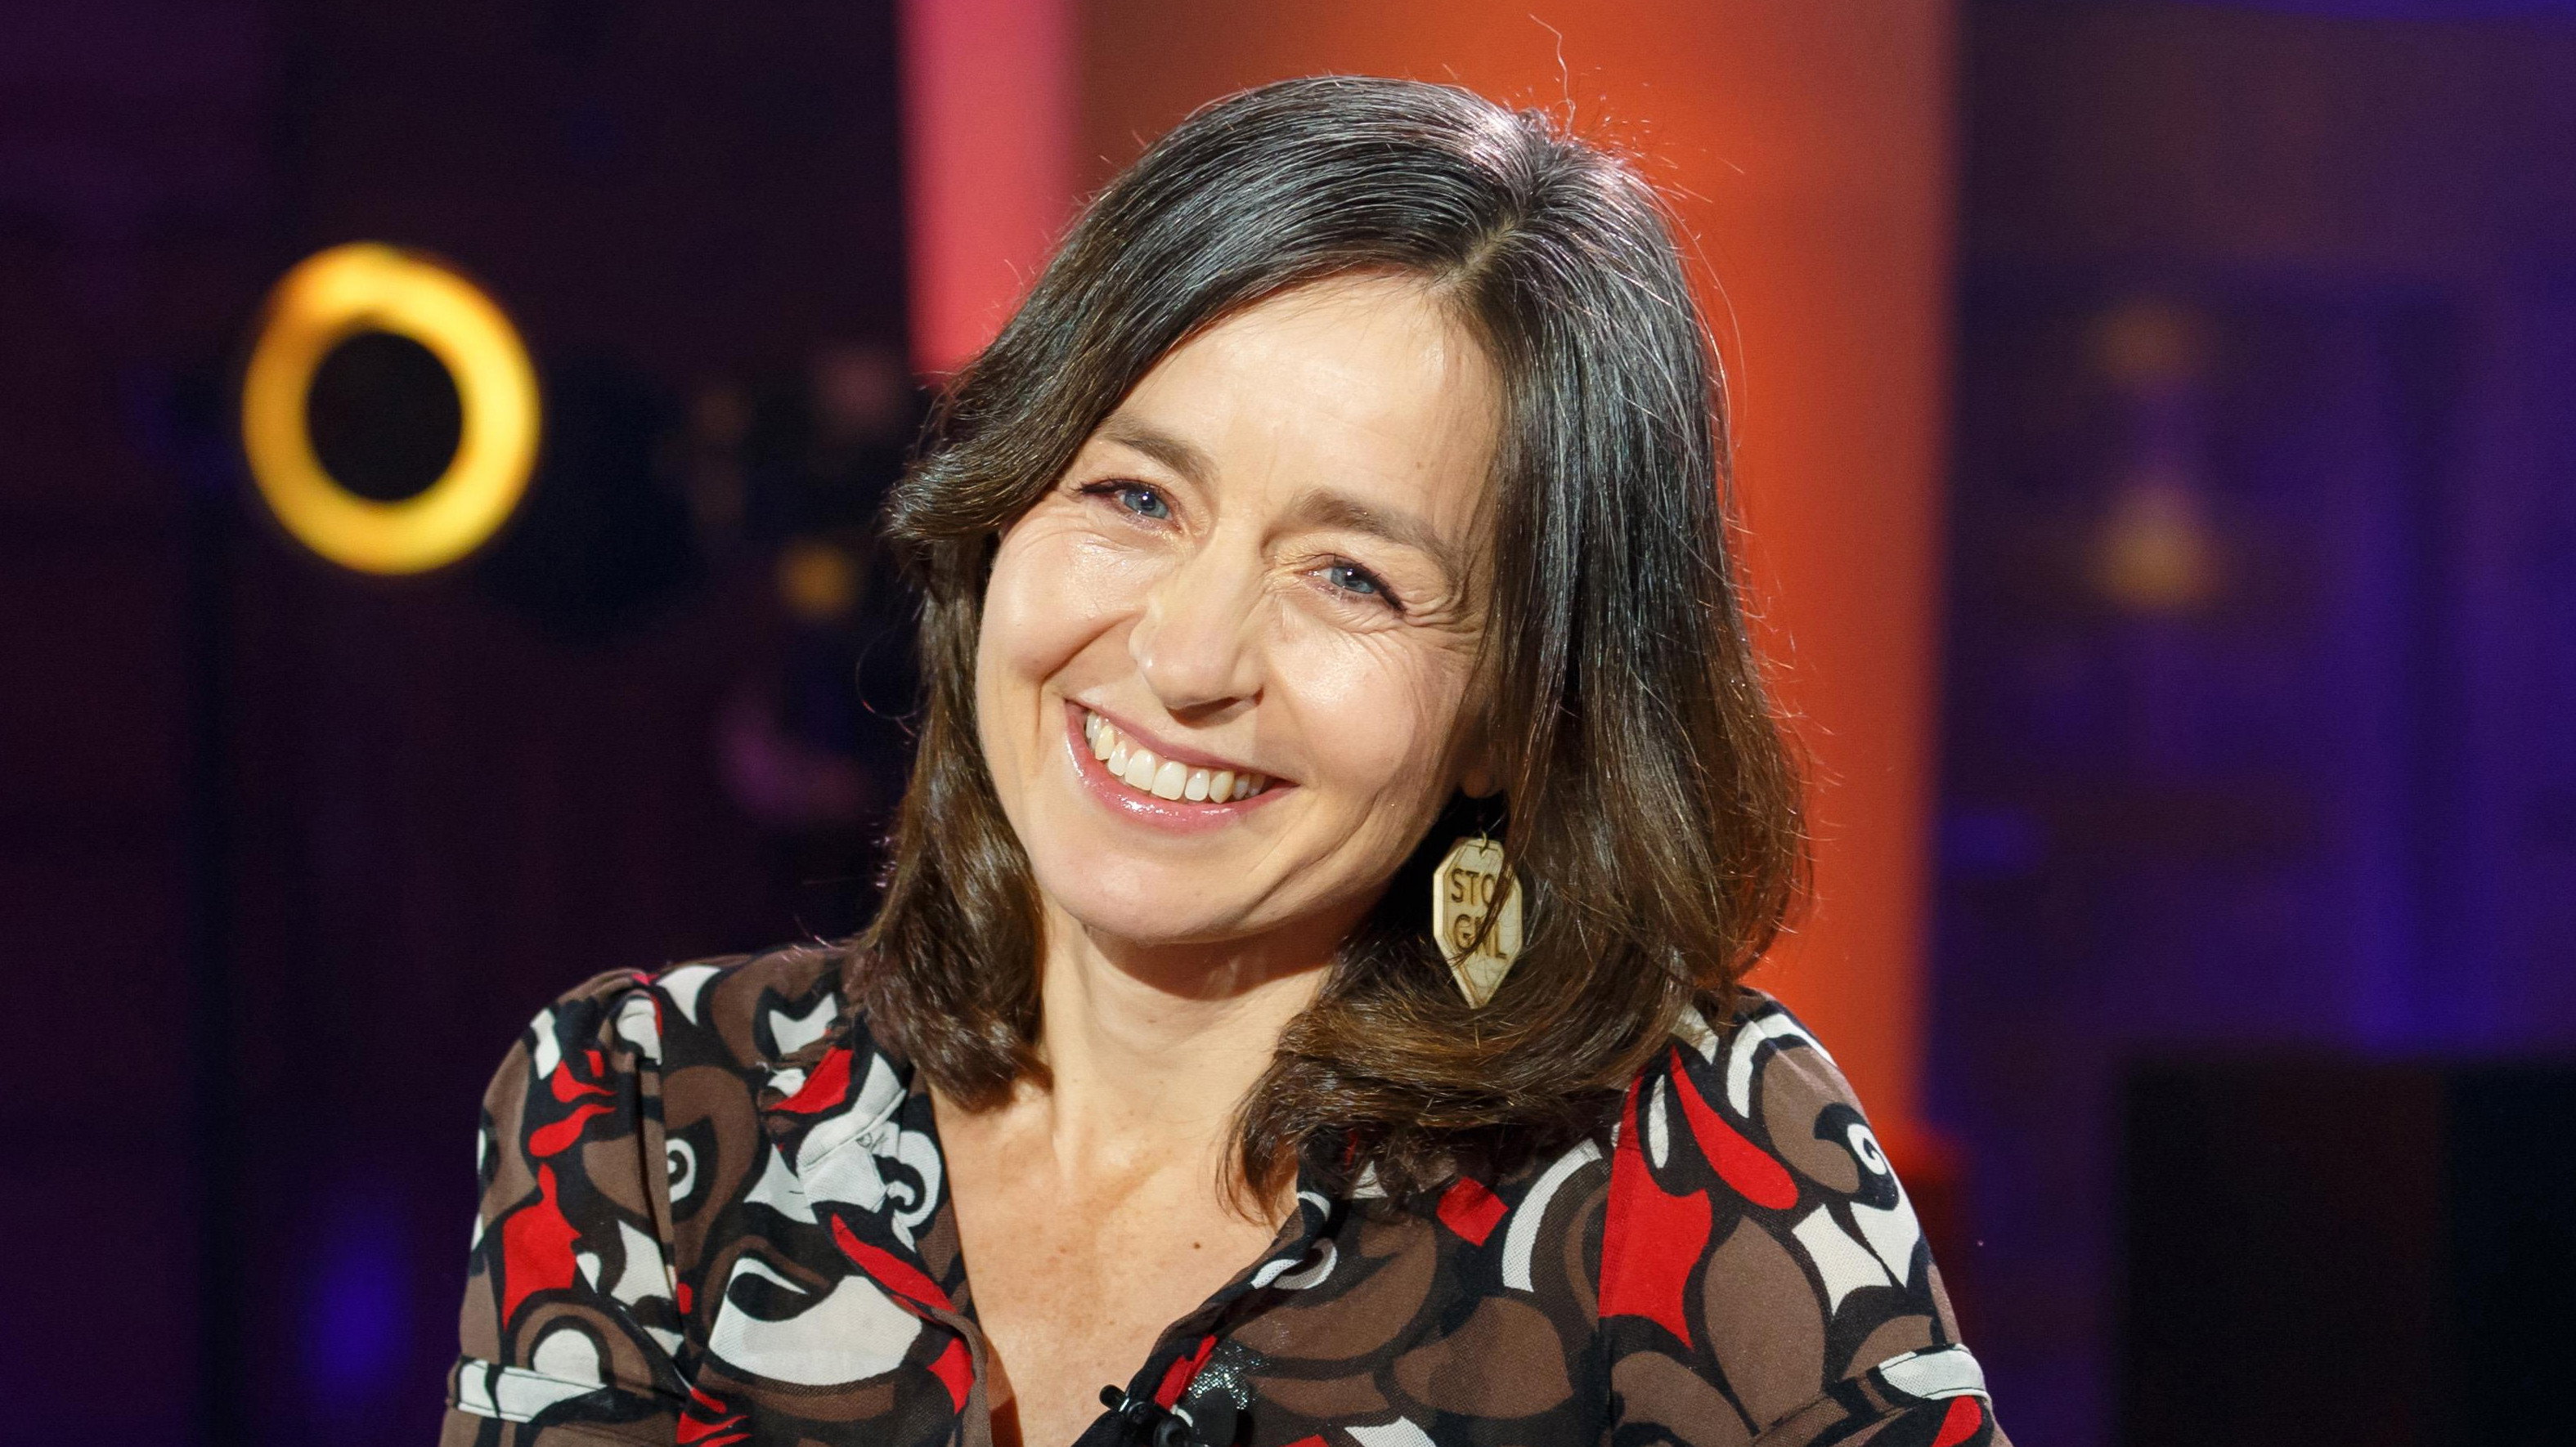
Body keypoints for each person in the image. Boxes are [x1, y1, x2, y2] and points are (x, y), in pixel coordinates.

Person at [441, 75, 2005, 1447]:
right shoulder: (640, 1113)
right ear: (1004, 504)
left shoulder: (1692, 1162)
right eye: (1134, 497)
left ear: (1512, 711)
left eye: (1353, 578)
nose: (1189, 657)